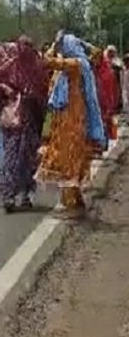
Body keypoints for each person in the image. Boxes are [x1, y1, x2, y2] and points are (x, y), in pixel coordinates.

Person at [36, 33, 107, 219]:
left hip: (71, 122)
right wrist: (84, 44)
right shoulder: (82, 63)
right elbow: (98, 53)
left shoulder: (74, 65)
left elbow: (46, 61)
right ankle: (76, 202)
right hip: (71, 120)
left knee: (68, 161)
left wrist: (54, 44)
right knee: (72, 161)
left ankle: (71, 207)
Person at [0, 36, 49, 211]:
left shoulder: (37, 67)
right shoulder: (10, 65)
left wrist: (33, 98)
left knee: (29, 159)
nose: (25, 50)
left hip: (31, 120)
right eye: (22, 46)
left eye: (28, 46)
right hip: (14, 120)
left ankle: (26, 194)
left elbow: (45, 90)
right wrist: (6, 89)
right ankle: (9, 196)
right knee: (12, 158)